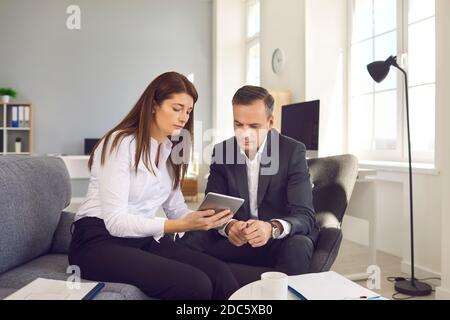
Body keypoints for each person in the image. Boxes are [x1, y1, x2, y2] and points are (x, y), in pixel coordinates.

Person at [68, 72, 239, 300]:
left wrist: (221, 222)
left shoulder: (170, 152)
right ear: (153, 106)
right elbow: (116, 223)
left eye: (188, 111)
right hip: (98, 241)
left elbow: (177, 211)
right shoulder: (120, 144)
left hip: (141, 239)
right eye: (176, 108)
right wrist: (177, 225)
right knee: (196, 284)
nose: (184, 117)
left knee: (220, 273)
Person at [179, 86, 319, 283]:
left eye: (254, 126)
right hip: (237, 240)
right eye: (238, 125)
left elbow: (305, 216)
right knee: (191, 237)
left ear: (270, 122)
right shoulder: (222, 152)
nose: (245, 134)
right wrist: (229, 226)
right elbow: (212, 210)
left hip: (276, 241)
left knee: (299, 246)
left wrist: (272, 228)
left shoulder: (292, 151)